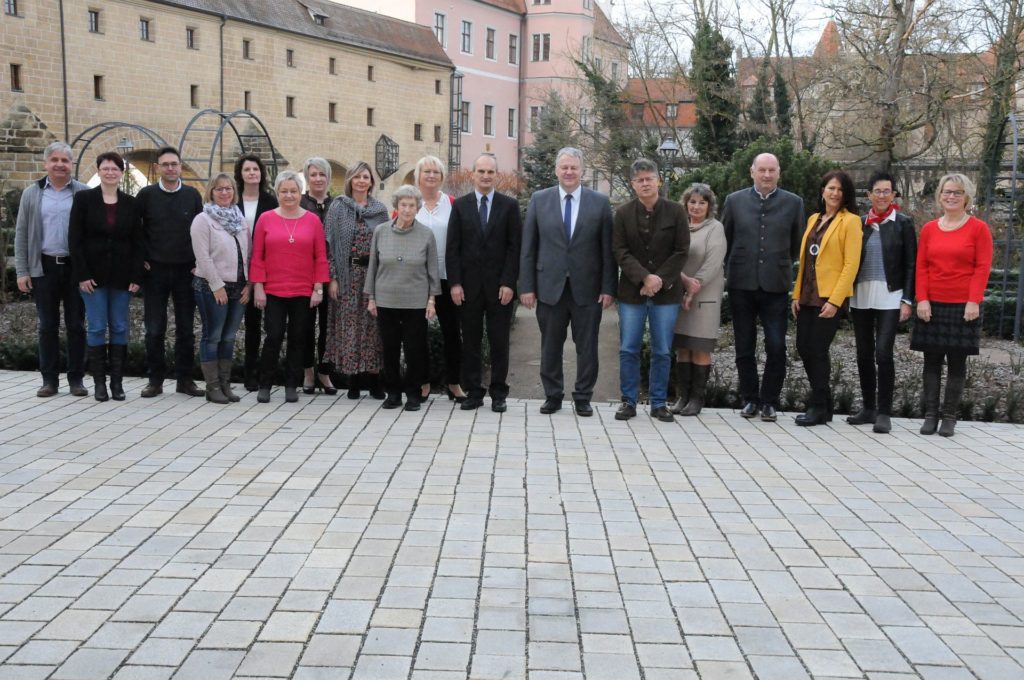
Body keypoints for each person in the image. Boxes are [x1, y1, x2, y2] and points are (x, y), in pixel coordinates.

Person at [520, 147, 616, 417]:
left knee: (587, 347)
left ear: (582, 170)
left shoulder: (599, 202)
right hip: (549, 287)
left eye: (574, 167)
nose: (569, 172)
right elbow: (529, 247)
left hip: (588, 288)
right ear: (556, 170)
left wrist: (609, 287)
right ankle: (553, 396)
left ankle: (583, 397)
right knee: (550, 345)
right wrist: (526, 286)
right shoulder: (539, 200)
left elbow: (608, 249)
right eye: (564, 167)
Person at [722, 153, 804, 422]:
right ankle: (749, 399)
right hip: (741, 283)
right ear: (752, 171)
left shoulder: (794, 203)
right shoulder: (734, 201)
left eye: (772, 170)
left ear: (779, 172)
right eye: (762, 170)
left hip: (775, 284)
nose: (767, 175)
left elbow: (796, 244)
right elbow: (726, 239)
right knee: (744, 346)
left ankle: (769, 401)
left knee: (777, 346)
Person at [912, 174, 993, 437]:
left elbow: (982, 268)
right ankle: (931, 415)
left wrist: (974, 301)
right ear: (940, 196)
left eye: (957, 192)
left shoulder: (978, 229)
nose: (951, 197)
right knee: (931, 362)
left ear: (966, 197)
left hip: (962, 306)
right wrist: (922, 299)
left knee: (957, 364)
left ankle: (949, 417)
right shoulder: (929, 229)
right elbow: (921, 266)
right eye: (947, 192)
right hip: (932, 304)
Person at [612, 159, 689, 422]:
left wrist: (659, 279)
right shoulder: (622, 214)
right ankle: (628, 401)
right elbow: (620, 251)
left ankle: (658, 403)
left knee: (662, 349)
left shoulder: (676, 211)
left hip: (666, 293)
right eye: (639, 180)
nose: (645, 183)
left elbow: (681, 251)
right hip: (632, 293)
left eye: (649, 178)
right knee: (628, 348)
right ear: (633, 184)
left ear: (658, 180)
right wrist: (644, 278)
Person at [446, 154, 521, 413]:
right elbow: (452, 248)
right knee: (471, 342)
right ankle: (474, 392)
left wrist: (509, 282)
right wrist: (454, 283)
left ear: (496, 174)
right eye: (481, 171)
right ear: (473, 174)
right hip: (468, 288)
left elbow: (514, 248)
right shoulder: (461, 206)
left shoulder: (509, 206)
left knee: (500, 342)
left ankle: (498, 393)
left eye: (490, 171)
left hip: (500, 288)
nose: (486, 176)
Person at [14, 141, 90, 398]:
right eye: (55, 160)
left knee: (76, 325)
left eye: (65, 160)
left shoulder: (83, 192)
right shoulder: (31, 194)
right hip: (44, 267)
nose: (60, 164)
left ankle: (77, 379)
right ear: (46, 163)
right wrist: (22, 271)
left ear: (72, 165)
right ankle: (49, 381)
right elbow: (22, 234)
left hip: (74, 268)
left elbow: (91, 235)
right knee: (47, 325)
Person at [68, 151, 143, 402]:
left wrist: (136, 275)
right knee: (98, 327)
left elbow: (137, 242)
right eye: (105, 168)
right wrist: (82, 274)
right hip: (92, 277)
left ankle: (117, 384)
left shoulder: (131, 203)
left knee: (120, 327)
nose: (110, 172)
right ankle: (100, 383)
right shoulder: (84, 199)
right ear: (98, 171)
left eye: (115, 168)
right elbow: (74, 240)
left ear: (122, 173)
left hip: (122, 277)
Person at [249, 170, 330, 403]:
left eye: (293, 191)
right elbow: (258, 257)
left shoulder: (312, 220)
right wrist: (258, 287)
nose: (289, 195)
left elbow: (320, 257)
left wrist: (318, 288)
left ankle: (291, 385)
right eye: (284, 191)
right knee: (273, 337)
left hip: (304, 291)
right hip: (273, 290)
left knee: (298, 338)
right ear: (277, 192)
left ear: (300, 193)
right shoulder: (266, 218)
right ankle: (265, 384)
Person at [790, 170, 863, 426]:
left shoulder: (851, 221)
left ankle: (818, 406)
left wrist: (835, 301)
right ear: (823, 190)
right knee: (803, 347)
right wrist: (796, 294)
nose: (835, 193)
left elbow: (851, 264)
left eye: (840, 190)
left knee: (817, 350)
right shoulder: (813, 219)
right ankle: (826, 406)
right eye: (831, 188)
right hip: (808, 295)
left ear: (846, 195)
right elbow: (805, 260)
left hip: (828, 297)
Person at [846, 171, 917, 434]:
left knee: (883, 353)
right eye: (877, 191)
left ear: (894, 195)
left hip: (891, 296)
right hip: (861, 295)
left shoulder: (904, 223)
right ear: (869, 195)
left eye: (887, 191)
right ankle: (868, 408)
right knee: (863, 353)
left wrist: (908, 299)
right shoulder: (859, 223)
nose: (882, 196)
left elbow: (911, 264)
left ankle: (885, 412)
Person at [365, 185, 441, 411]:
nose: (407, 210)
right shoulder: (381, 231)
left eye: (412, 206)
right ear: (396, 207)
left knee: (414, 350)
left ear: (417, 209)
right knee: (389, 349)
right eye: (403, 205)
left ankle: (413, 394)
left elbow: (433, 271)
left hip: (415, 302)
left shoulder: (426, 234)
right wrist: (371, 298)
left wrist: (432, 300)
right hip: (386, 300)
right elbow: (373, 266)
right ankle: (393, 393)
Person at [137, 146, 205, 398]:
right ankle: (155, 380)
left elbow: (201, 231)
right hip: (154, 271)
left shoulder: (192, 195)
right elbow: (136, 230)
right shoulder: (145, 195)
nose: (170, 168)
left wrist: (199, 262)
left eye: (174, 164)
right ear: (157, 168)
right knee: (154, 328)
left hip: (186, 271)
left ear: (180, 166)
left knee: (186, 328)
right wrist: (141, 258)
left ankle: (184, 380)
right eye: (165, 164)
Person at [324, 162, 389, 399]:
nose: (362, 181)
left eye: (366, 177)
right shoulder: (338, 207)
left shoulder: (380, 210)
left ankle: (374, 380)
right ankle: (353, 380)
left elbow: (386, 246)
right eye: (357, 177)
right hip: (347, 276)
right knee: (350, 328)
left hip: (373, 275)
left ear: (371, 181)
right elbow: (328, 245)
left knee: (373, 328)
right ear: (350, 180)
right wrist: (333, 278)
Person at [191, 173, 251, 404]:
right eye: (219, 189)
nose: (224, 192)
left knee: (228, 337)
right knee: (213, 336)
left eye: (228, 188)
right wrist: (217, 286)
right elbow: (203, 257)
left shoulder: (240, 219)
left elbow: (249, 253)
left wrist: (249, 284)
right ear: (211, 192)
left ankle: (225, 384)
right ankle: (212, 386)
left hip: (239, 288)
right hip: (211, 286)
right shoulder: (203, 220)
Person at [671, 183, 727, 417]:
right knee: (682, 348)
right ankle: (682, 396)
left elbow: (714, 262)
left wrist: (694, 287)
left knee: (700, 347)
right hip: (678, 293)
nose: (696, 206)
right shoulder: (678, 226)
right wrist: (683, 281)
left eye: (701, 202)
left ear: (709, 205)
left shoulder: (715, 228)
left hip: (704, 296)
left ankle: (697, 398)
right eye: (692, 202)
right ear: (685, 203)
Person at [415, 155, 466, 402]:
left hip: (447, 278)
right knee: (417, 333)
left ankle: (454, 383)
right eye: (427, 172)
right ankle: (423, 382)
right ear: (419, 176)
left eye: (436, 172)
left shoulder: (453, 204)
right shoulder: (409, 203)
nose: (432, 176)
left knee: (452, 333)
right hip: (417, 280)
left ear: (442, 177)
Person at [235, 153, 279, 391]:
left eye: (255, 169)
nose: (252, 173)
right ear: (240, 174)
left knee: (260, 325)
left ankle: (260, 374)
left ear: (261, 173)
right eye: (247, 169)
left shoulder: (270, 201)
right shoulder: (232, 200)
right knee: (239, 325)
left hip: (264, 270)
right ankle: (246, 372)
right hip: (236, 268)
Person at [299, 157, 336, 395]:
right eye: (313, 174)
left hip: (331, 274)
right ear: (307, 177)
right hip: (303, 274)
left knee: (328, 326)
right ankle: (307, 372)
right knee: (304, 326)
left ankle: (325, 371)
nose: (318, 179)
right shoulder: (299, 203)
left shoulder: (338, 204)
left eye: (322, 174)